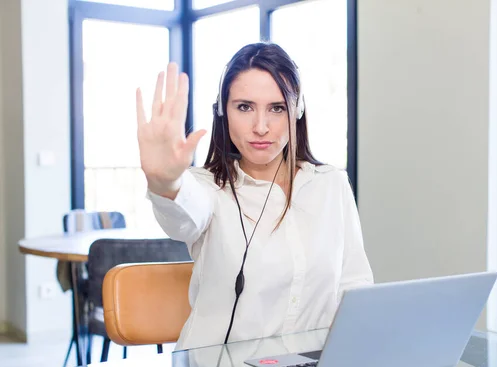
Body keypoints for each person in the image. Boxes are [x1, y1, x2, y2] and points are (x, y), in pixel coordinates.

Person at [136, 42, 373, 351]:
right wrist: (165, 182)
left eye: (277, 108)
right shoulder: (206, 188)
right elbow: (181, 216)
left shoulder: (331, 185)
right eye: (244, 107)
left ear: (297, 110)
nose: (261, 127)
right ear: (223, 111)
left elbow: (354, 286)